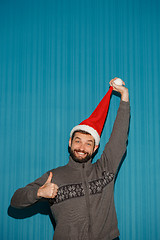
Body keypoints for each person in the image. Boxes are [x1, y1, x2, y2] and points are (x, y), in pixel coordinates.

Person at [11, 78, 130, 240]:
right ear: (70, 142)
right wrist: (39, 192)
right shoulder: (54, 176)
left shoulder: (105, 169)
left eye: (88, 143)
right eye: (78, 141)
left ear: (95, 148)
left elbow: (119, 136)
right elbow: (16, 200)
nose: (82, 147)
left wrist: (124, 97)